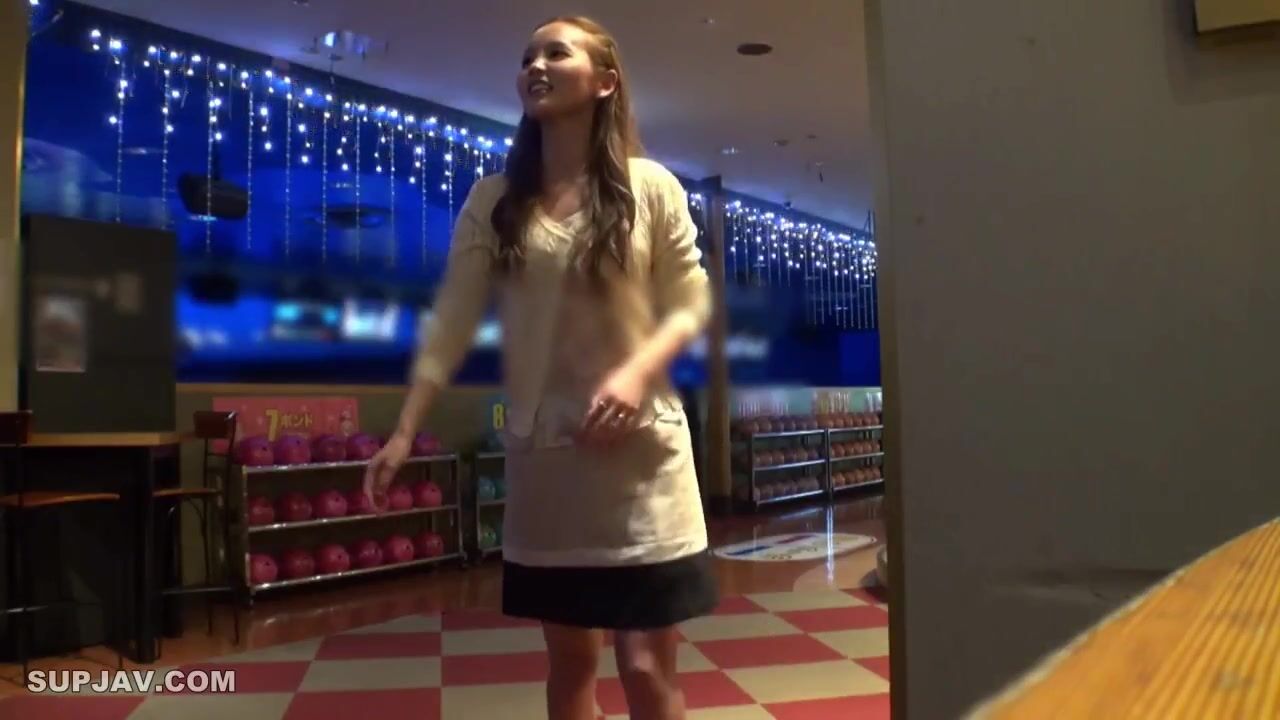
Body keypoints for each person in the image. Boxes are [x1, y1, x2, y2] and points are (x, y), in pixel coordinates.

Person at [363, 15, 717, 720]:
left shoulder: (651, 186)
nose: (536, 66)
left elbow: (691, 300)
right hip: (549, 462)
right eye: (528, 56)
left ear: (605, 81)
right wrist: (403, 431)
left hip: (643, 461)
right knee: (571, 662)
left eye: (557, 53)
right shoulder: (494, 200)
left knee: (646, 666)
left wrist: (637, 371)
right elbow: (452, 319)